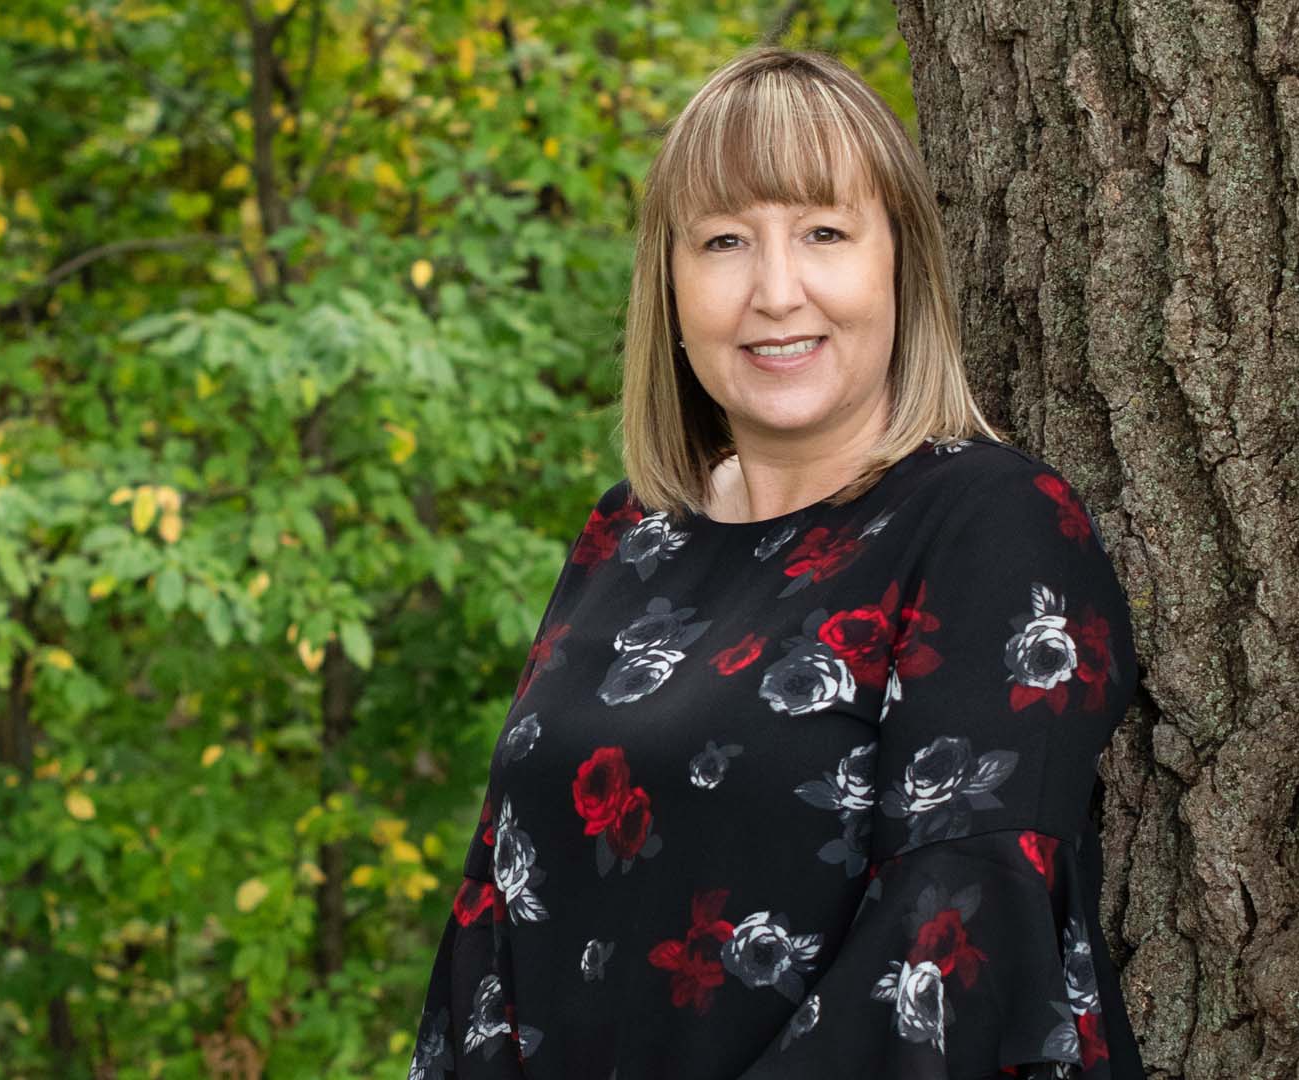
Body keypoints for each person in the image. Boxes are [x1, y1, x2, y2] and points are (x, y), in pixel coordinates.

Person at [405, 46, 1146, 1080]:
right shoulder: (628, 537)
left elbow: (959, 939)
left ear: (903, 263)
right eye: (723, 241)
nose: (774, 290)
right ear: (670, 287)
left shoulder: (993, 524)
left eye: (825, 233)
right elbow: (496, 911)